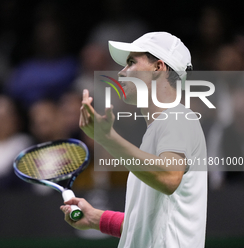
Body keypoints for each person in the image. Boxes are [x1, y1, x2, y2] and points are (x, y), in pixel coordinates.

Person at [60, 32, 207, 247]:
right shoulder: (157, 131)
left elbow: (168, 177)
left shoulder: (178, 118)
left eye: (131, 62)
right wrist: (97, 219)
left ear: (158, 68)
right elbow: (148, 226)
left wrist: (107, 138)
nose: (121, 72)